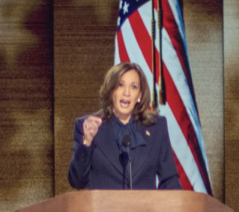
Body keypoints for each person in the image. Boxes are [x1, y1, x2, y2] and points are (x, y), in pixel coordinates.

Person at [68, 62, 181, 190]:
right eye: (120, 85)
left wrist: (175, 207)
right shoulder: (87, 126)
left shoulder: (156, 127)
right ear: (111, 90)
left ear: (139, 95)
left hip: (145, 210)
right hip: (104, 210)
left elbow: (170, 180)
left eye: (133, 87)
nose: (126, 93)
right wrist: (87, 142)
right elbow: (77, 182)